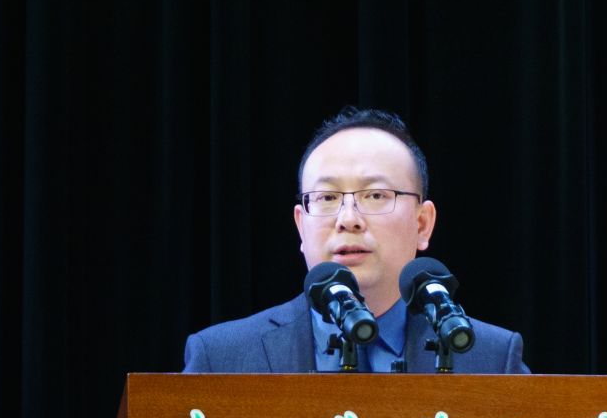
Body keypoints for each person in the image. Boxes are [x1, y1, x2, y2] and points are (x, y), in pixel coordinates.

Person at [182, 108, 528, 373]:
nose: (348, 219)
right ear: (301, 227)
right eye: (327, 197)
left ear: (422, 224)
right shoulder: (220, 358)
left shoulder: (491, 358)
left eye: (376, 195)